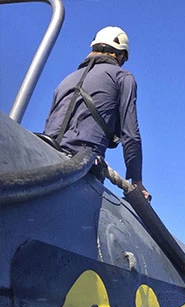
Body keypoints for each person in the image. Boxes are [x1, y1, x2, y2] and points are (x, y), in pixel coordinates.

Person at [43, 26, 150, 200]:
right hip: (81, 168)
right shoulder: (123, 77)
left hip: (44, 157)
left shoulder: (66, 80)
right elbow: (130, 134)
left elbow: (50, 122)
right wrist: (136, 180)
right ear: (120, 55)